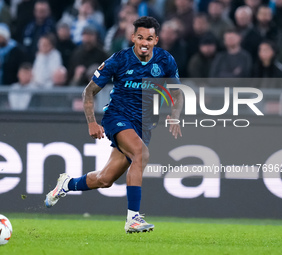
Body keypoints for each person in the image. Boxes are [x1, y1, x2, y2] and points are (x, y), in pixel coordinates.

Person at [44, 16, 183, 233]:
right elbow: (89, 91)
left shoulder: (165, 61)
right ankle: (133, 219)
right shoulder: (118, 60)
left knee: (105, 179)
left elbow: (177, 93)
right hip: (117, 117)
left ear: (156, 40)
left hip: (144, 126)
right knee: (141, 154)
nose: (144, 43)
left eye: (149, 38)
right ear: (132, 38)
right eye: (140, 37)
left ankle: (66, 184)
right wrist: (92, 122)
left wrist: (175, 114)